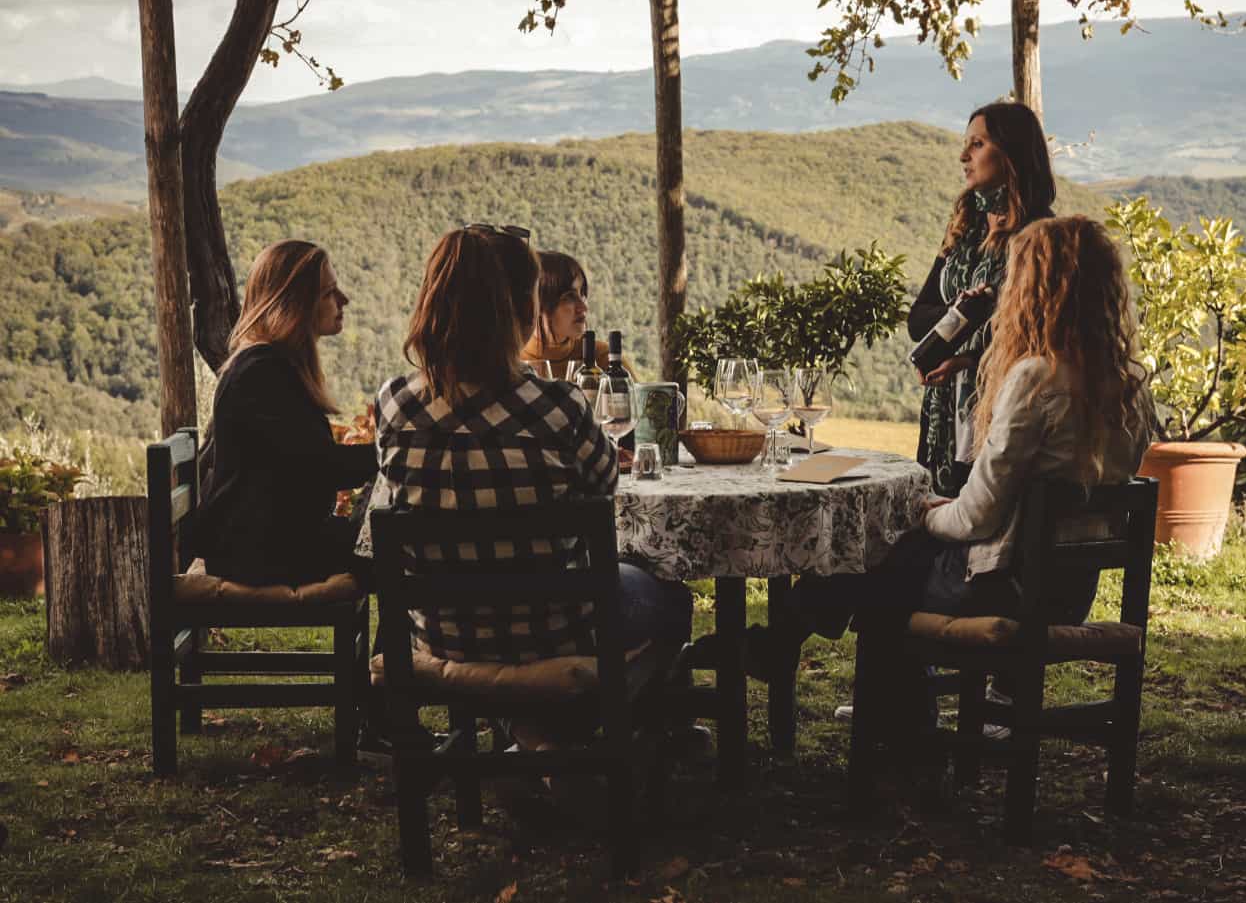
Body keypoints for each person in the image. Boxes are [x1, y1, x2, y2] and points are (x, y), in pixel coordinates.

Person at [751, 216, 1155, 730]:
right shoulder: (1132, 388)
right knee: (890, 565)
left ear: (1036, 290)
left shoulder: (1036, 380)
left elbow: (979, 518)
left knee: (877, 557)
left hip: (1003, 587)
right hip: (1069, 592)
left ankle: (812, 660)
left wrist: (927, 516)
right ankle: (811, 658)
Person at [374, 227, 690, 744]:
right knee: (671, 598)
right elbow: (607, 485)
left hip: (443, 633)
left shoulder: (393, 403)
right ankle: (599, 740)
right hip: (552, 634)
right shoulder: (559, 405)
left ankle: (531, 736)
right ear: (521, 308)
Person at [194, 240, 377, 585]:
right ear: (297, 304)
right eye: (329, 293)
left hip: (266, 542)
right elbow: (322, 468)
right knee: (397, 549)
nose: (344, 301)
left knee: (385, 540)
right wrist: (393, 453)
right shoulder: (261, 373)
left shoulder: (268, 365)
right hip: (258, 553)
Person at [911, 101, 1057, 497]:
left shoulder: (1042, 234)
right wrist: (965, 311)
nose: (964, 156)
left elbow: (1043, 344)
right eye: (966, 144)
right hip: (944, 415)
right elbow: (917, 320)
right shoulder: (964, 225)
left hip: (1002, 413)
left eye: (977, 144)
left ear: (1010, 153)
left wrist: (970, 359)